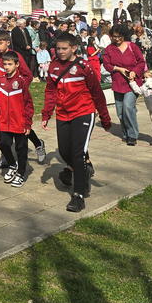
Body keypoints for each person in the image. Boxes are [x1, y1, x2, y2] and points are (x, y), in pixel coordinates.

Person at [42, 32, 110, 212]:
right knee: (65, 152)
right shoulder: (54, 66)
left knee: (77, 153)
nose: (60, 51)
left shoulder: (83, 66)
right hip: (63, 114)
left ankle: (78, 195)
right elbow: (50, 91)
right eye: (58, 48)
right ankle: (85, 167)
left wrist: (105, 117)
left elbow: (97, 92)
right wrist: (46, 113)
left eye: (64, 48)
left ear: (73, 48)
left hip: (83, 113)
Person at [0, 51, 35, 187]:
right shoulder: (0, 81)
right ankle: (12, 165)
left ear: (17, 65)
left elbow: (28, 104)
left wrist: (28, 123)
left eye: (10, 64)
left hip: (19, 123)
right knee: (3, 144)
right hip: (4, 122)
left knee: (21, 149)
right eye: (5, 64)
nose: (7, 67)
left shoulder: (21, 82)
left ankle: (21, 173)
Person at [102, 23, 146, 145]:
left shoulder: (132, 47)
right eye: (114, 36)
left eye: (119, 36)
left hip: (132, 83)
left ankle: (132, 135)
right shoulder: (109, 49)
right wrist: (118, 69)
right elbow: (106, 64)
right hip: (117, 83)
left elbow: (141, 62)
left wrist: (134, 72)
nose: (117, 39)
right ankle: (125, 133)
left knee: (128, 107)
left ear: (124, 36)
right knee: (120, 111)